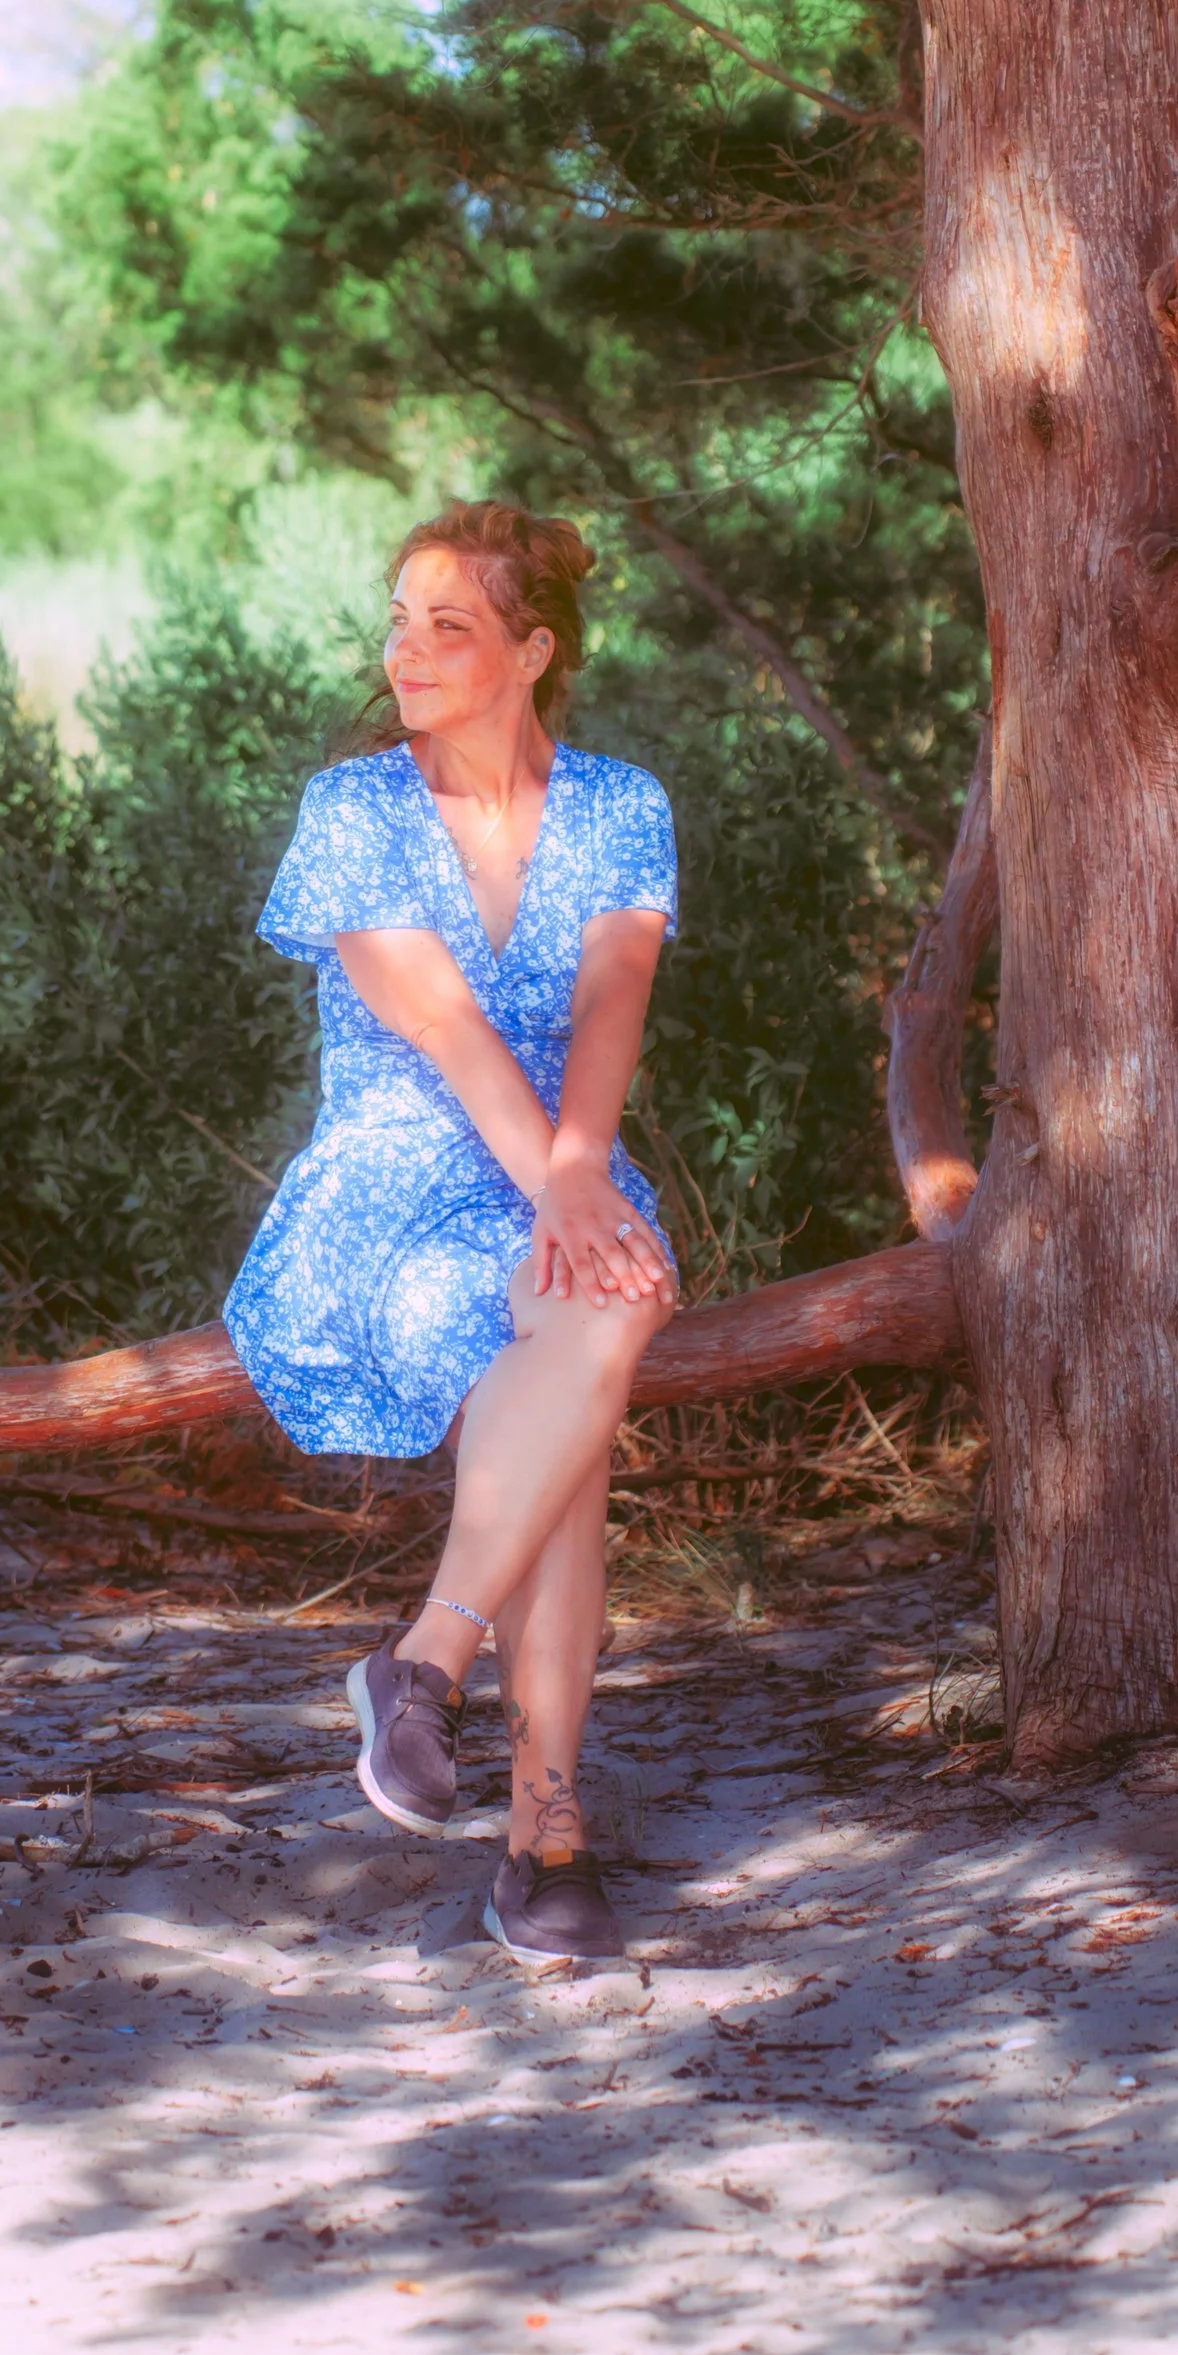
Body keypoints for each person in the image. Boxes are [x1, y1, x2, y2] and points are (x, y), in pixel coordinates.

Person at [224, 500, 680, 1967]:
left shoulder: (621, 803)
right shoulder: (353, 807)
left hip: (564, 1170)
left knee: (599, 1321)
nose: (404, 650)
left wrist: (580, 1171)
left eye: (450, 625)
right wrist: (558, 1185)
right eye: (400, 619)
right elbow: (440, 1019)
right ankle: (547, 1835)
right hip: (388, 1189)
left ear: (534, 649)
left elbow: (612, 994)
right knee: (560, 1406)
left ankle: (427, 1662)